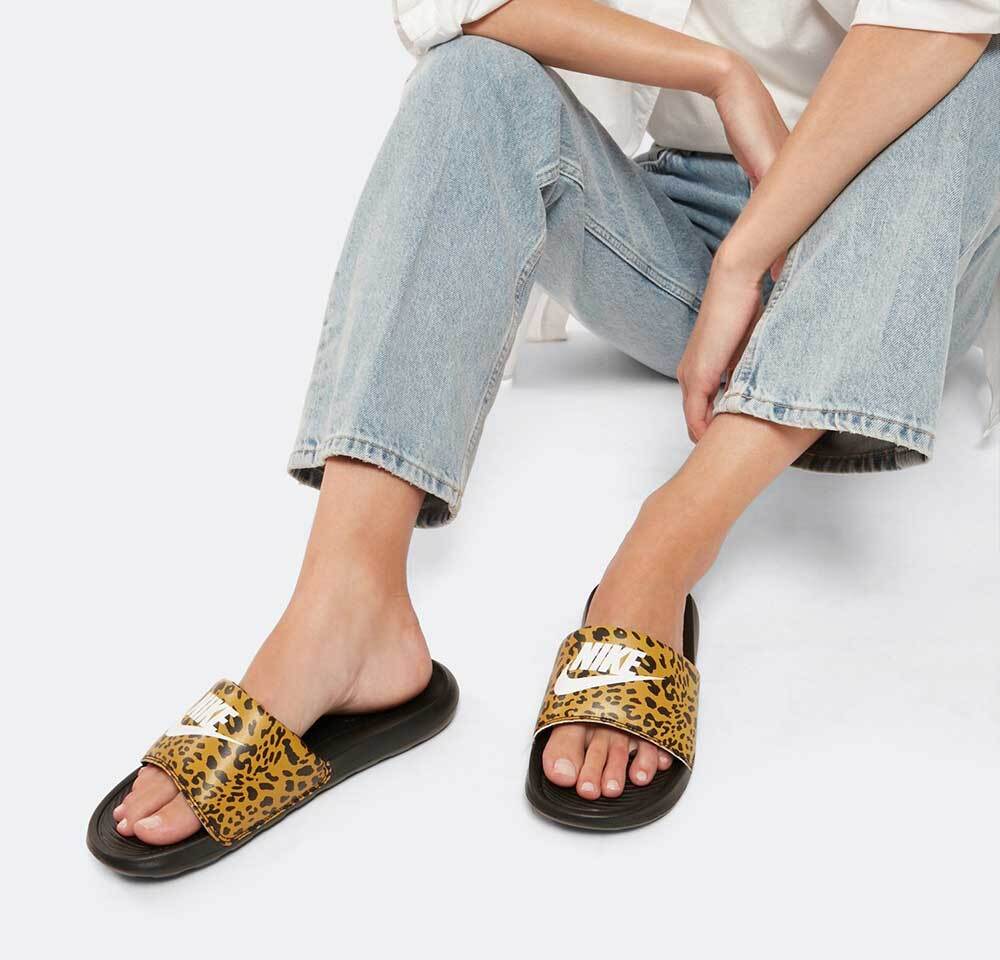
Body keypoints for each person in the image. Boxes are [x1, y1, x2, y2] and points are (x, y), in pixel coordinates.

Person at [90, 1, 999, 868]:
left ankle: (660, 554)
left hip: (908, 234)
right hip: (689, 224)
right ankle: (347, 605)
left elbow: (943, 18)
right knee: (469, 78)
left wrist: (749, 254)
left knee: (983, 76)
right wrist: (720, 73)